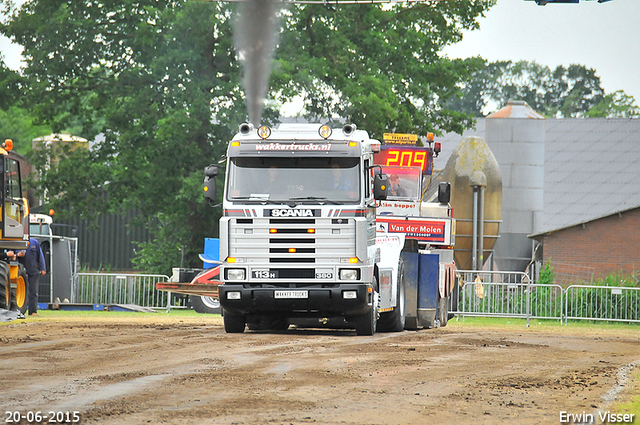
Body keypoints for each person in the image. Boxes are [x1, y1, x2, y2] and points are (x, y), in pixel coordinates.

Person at [16, 238, 46, 316]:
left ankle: (33, 311)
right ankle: (18, 311)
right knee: (19, 292)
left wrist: (43, 268)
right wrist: (17, 254)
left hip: (33, 271)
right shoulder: (17, 242)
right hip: (20, 272)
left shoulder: (34, 242)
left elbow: (40, 256)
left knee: (33, 292)